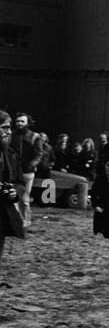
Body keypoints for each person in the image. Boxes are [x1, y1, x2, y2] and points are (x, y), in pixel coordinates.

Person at [0, 112, 25, 282]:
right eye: (4, 128)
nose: (9, 132)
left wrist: (15, 192)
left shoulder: (10, 154)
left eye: (10, 128)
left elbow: (19, 182)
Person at [11, 112, 37, 227]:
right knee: (13, 197)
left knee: (25, 198)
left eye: (22, 121)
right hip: (14, 171)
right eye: (18, 121)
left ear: (28, 123)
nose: (20, 123)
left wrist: (31, 165)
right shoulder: (12, 135)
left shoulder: (34, 136)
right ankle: (17, 221)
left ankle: (26, 221)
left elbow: (38, 154)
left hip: (27, 172)